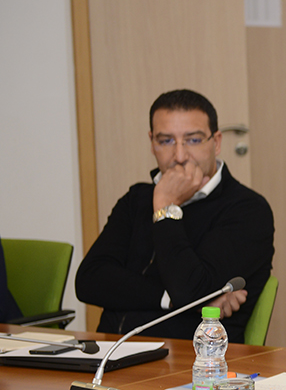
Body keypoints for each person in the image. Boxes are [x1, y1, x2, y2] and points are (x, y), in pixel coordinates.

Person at [75, 89, 274, 342]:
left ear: (216, 142)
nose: (179, 156)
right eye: (166, 141)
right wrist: (169, 299)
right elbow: (89, 280)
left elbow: (190, 290)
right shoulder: (136, 199)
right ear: (152, 143)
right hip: (110, 350)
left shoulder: (248, 209)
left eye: (193, 140)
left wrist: (165, 209)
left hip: (192, 358)